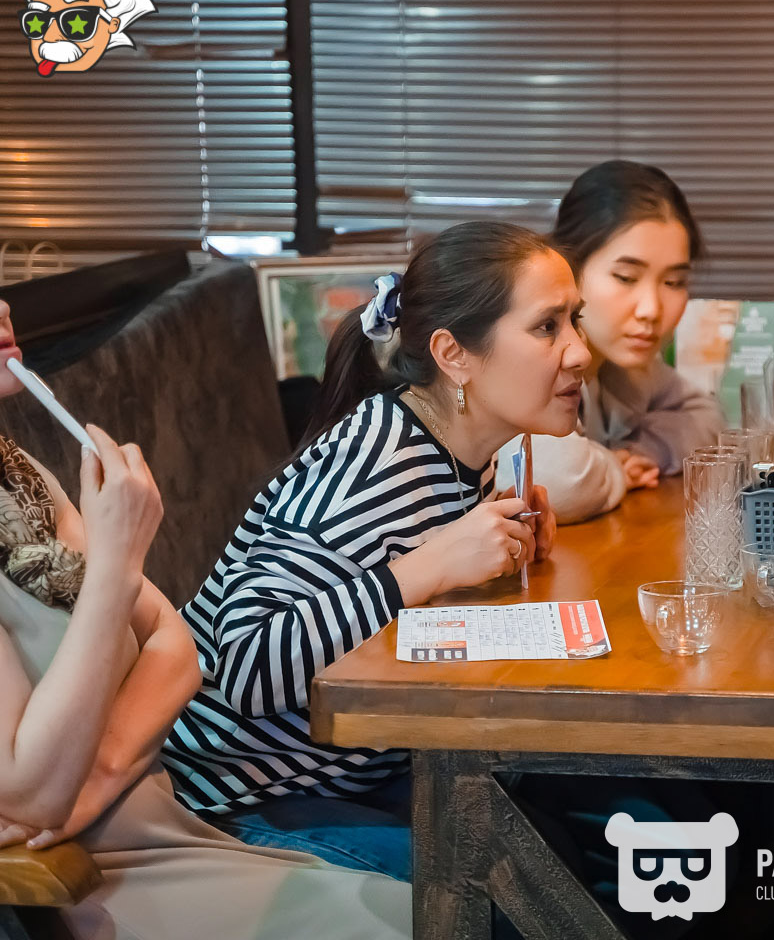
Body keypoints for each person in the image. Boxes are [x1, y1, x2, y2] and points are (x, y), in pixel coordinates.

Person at [161, 221, 582, 882]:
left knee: (572, 839)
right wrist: (428, 567)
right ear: (454, 355)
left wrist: (497, 546)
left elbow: (395, 603)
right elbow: (245, 664)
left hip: (360, 769)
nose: (580, 351)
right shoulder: (371, 467)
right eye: (547, 327)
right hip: (246, 793)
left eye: (576, 320)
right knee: (522, 884)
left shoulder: (461, 450)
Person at [0, 300, 410, 939]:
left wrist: (94, 775)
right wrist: (116, 568)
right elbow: (28, 795)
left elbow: (178, 647)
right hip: (79, 883)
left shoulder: (18, 473)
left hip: (165, 827)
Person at [498, 160, 724, 522]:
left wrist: (639, 451)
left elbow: (706, 415)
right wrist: (615, 469)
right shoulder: (529, 346)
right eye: (626, 277)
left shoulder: (622, 367)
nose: (651, 310)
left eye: (673, 283)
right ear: (569, 266)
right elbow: (554, 480)